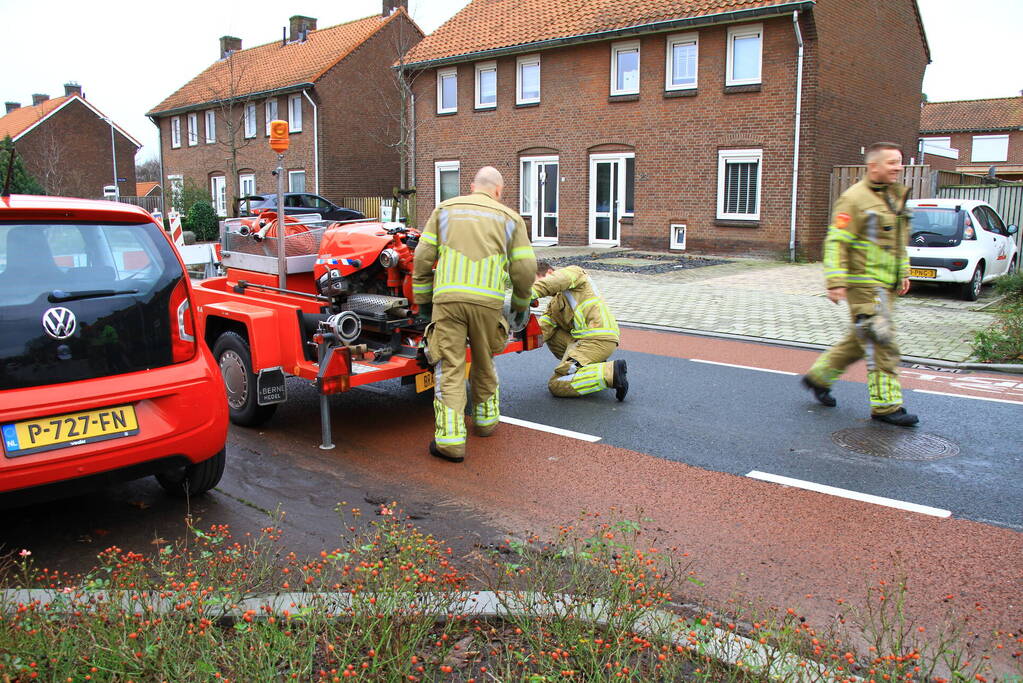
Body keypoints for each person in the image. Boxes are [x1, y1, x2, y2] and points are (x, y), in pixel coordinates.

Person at [412, 166, 536, 462]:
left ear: (471, 186)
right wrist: (520, 304)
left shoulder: (445, 209)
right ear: (498, 190)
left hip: (448, 301)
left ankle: (451, 442)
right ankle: (485, 422)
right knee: (484, 359)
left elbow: (422, 257)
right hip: (488, 303)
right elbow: (525, 269)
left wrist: (424, 302)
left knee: (449, 367)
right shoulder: (510, 218)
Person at [801, 142, 918, 426]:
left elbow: (898, 242)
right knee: (881, 342)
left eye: (899, 161)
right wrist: (836, 282)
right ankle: (887, 407)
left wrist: (903, 272)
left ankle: (818, 378)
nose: (898, 167)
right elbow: (836, 242)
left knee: (859, 341)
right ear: (873, 166)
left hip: (885, 286)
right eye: (891, 162)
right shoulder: (854, 199)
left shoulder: (892, 198)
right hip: (864, 286)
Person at [532, 261, 628, 401]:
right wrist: (519, 341)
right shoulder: (556, 303)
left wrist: (526, 295)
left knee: (557, 384)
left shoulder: (574, 273)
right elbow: (544, 327)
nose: (535, 289)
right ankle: (591, 366)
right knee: (552, 330)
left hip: (597, 338)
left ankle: (610, 373)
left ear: (549, 274)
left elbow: (550, 284)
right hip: (584, 341)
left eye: (534, 282)